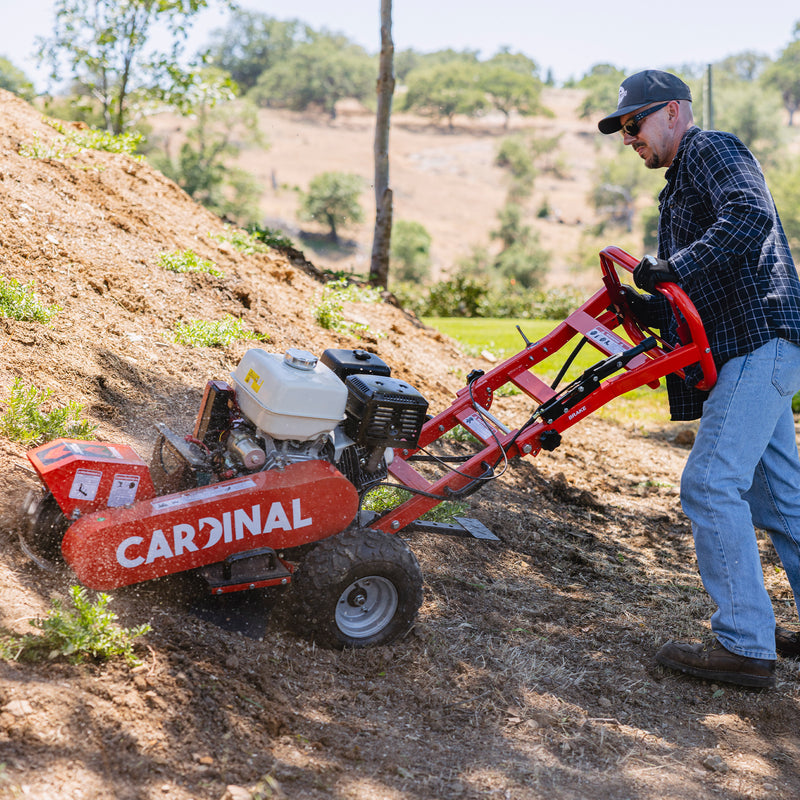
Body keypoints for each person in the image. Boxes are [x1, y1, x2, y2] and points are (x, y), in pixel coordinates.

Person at [598, 69, 800, 689]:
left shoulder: (711, 149)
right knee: (780, 499)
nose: (630, 138)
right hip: (750, 341)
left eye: (635, 123)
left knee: (710, 483)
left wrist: (669, 268)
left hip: (757, 339)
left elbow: (748, 217)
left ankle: (743, 645)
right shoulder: (677, 184)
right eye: (623, 130)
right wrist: (651, 304)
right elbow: (697, 283)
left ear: (674, 112)